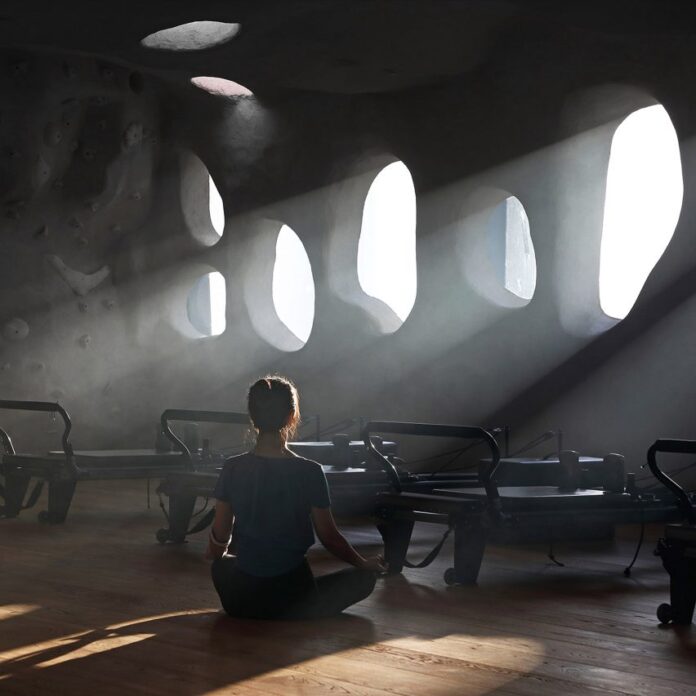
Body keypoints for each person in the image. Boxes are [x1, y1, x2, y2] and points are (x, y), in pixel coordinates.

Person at [207, 375, 385, 619]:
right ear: (292, 416)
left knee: (221, 566)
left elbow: (220, 537)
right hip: (294, 597)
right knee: (363, 579)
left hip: (241, 601)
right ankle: (294, 607)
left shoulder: (232, 467)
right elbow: (330, 538)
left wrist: (218, 555)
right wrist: (363, 563)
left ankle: (259, 605)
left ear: (253, 418)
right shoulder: (310, 471)